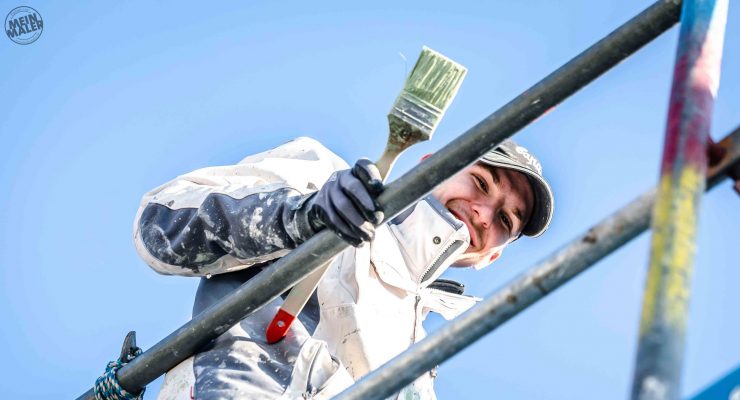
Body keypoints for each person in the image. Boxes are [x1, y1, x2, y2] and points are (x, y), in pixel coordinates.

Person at [133, 136, 554, 399]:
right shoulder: (320, 180)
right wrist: (302, 216)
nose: (484, 214)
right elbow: (160, 227)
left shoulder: (418, 361)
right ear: (430, 166)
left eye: (505, 221)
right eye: (481, 183)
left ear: (492, 257)